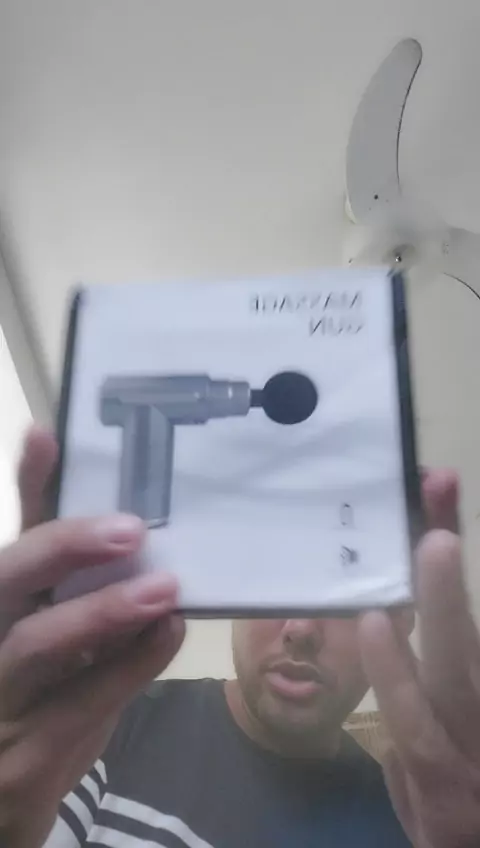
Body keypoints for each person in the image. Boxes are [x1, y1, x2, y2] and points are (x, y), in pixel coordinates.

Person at [0, 429, 479, 848]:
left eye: (343, 599)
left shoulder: (415, 827)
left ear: (401, 622)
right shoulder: (104, 728)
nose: (300, 630)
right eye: (273, 583)